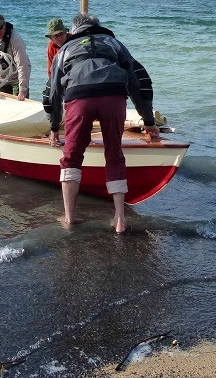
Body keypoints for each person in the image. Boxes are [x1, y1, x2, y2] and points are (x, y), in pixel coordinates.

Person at [45, 13, 160, 233]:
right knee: (114, 154)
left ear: (73, 30)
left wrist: (53, 128)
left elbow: (53, 92)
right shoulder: (115, 43)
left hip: (79, 97)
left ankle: (69, 218)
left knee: (72, 155)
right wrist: (148, 122)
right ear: (98, 27)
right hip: (114, 95)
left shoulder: (64, 50)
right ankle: (119, 219)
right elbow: (139, 82)